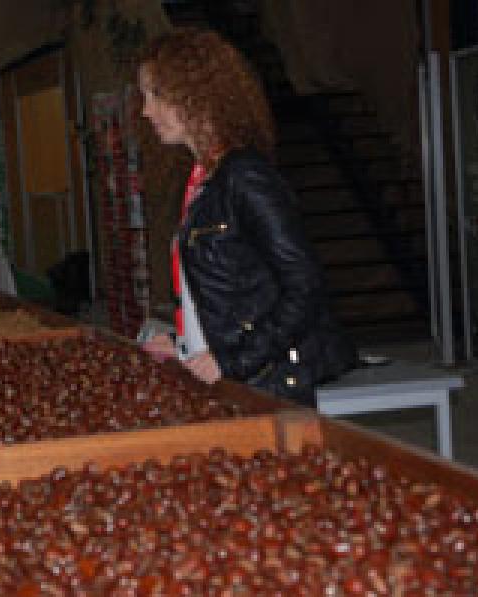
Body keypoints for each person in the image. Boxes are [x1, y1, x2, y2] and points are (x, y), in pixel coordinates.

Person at [138, 28, 354, 405]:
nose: (146, 110)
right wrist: (184, 343)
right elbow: (228, 298)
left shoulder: (244, 177)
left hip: (266, 382)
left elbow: (305, 286)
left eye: (156, 95)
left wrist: (233, 360)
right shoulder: (204, 180)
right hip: (237, 377)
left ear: (198, 95)